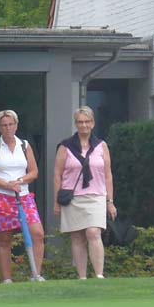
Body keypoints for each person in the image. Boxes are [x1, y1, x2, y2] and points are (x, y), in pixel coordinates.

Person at [53, 106, 117, 280]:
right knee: (77, 237)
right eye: (80, 122)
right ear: (76, 124)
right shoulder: (65, 147)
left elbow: (108, 174)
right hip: (73, 198)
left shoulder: (101, 146)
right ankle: (82, 277)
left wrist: (110, 201)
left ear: (93, 123)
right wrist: (56, 202)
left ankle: (99, 274)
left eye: (87, 121)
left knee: (93, 232)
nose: (84, 125)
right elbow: (58, 175)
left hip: (96, 196)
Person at [0, 110, 45, 283]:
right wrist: (7, 185)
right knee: (4, 238)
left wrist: (20, 180)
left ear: (16, 125)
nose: (8, 128)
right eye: (4, 125)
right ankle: (7, 279)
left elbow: (34, 172)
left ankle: (35, 275)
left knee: (37, 233)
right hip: (0, 196)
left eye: (10, 124)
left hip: (23, 195)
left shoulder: (24, 145)